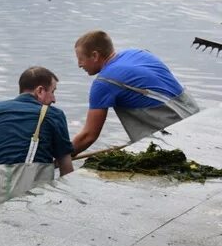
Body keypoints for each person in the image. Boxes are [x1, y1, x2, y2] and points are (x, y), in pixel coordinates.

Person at [0, 67, 74, 217]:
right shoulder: (53, 115)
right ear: (40, 90)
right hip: (35, 210)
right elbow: (67, 170)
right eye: (53, 91)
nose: (54, 99)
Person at [71, 30, 199, 155]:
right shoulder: (137, 53)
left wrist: (60, 157)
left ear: (95, 55)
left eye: (80, 59)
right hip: (195, 117)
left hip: (174, 132)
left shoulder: (104, 82)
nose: (79, 65)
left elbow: (88, 136)